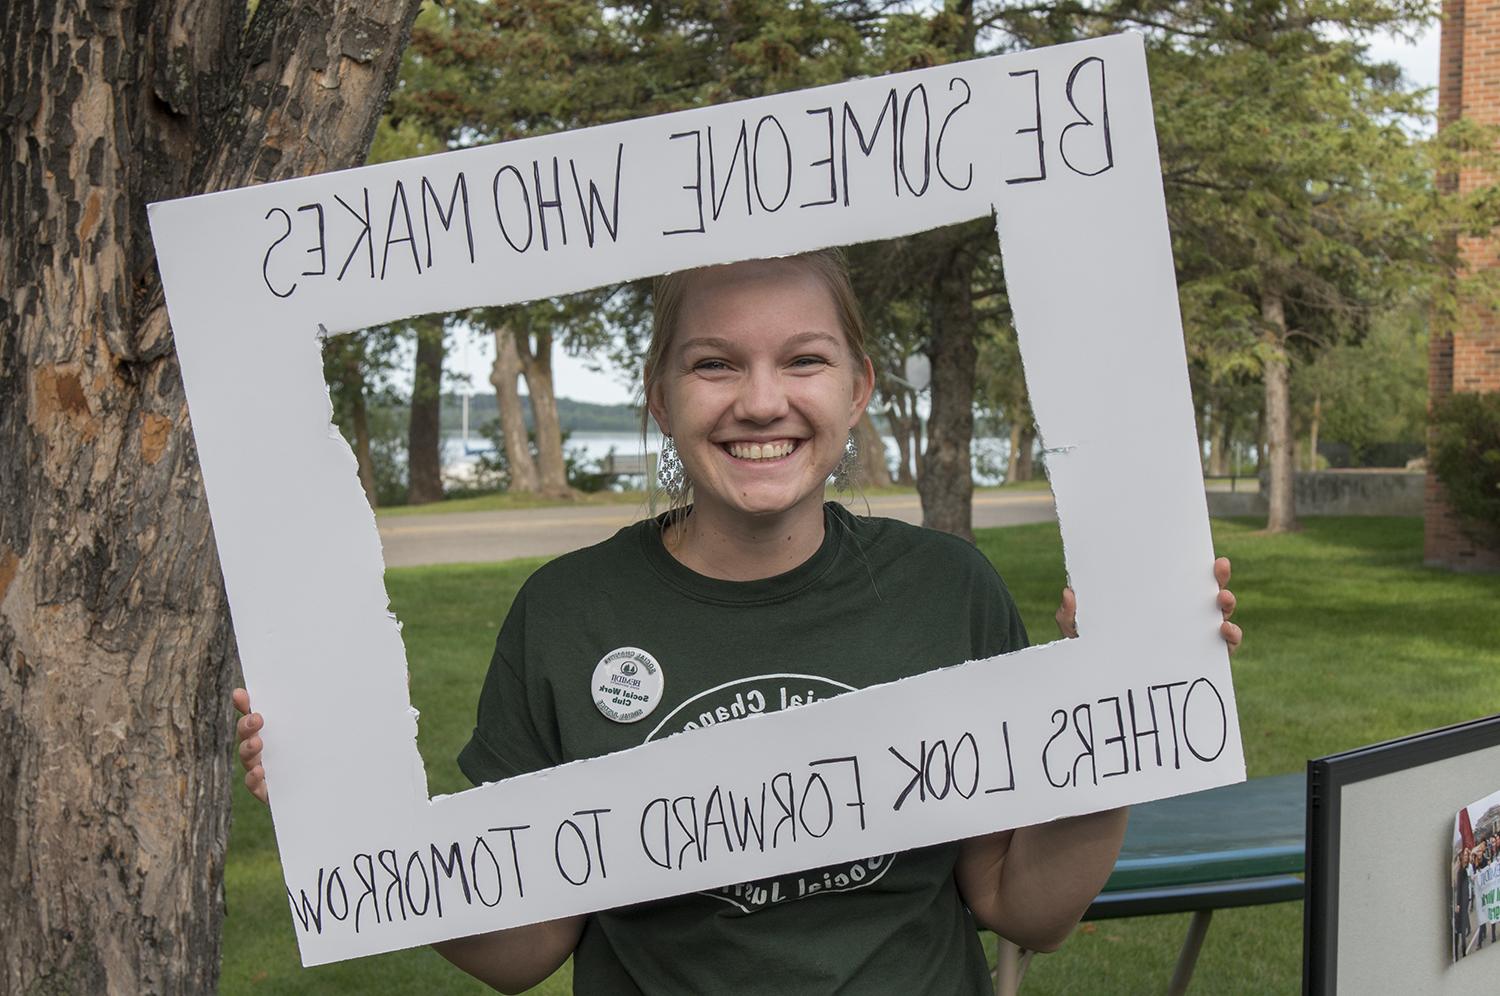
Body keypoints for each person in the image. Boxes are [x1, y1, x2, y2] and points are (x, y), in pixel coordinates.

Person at [235, 250, 1240, 993]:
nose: (761, 403)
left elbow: (1024, 908)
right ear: (661, 398)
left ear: (858, 390)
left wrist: (1112, 729)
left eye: (803, 361)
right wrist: (350, 821)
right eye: (715, 365)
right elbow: (524, 949)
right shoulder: (568, 612)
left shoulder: (947, 588)